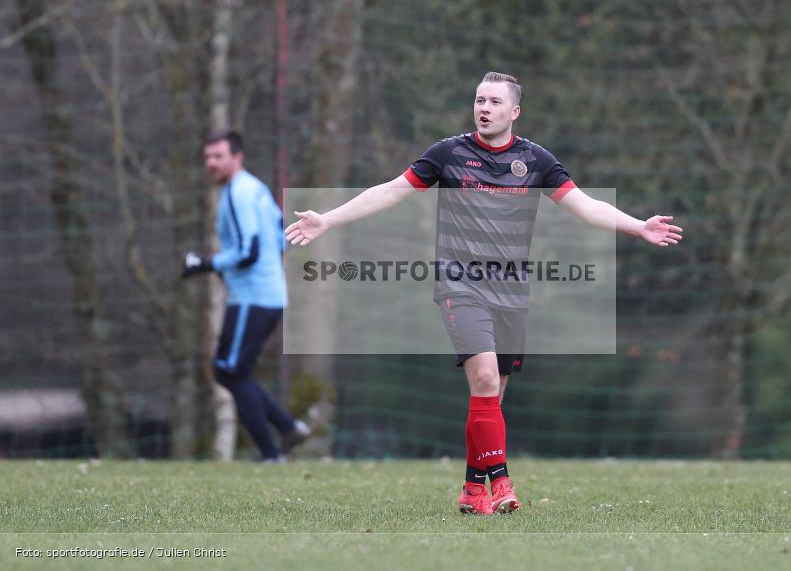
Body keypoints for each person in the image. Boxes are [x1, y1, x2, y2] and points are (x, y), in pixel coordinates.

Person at [284, 72, 683, 512]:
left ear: (514, 112)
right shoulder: (449, 153)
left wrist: (637, 226)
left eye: (494, 101)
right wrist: (328, 219)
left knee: (491, 396)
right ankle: (502, 484)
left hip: (511, 289)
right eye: (479, 100)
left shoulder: (535, 161)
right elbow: (391, 191)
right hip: (460, 284)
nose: (484, 108)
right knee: (487, 379)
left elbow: (586, 206)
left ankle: (473, 489)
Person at [183, 130, 311, 463]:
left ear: (237, 156)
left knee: (230, 370)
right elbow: (281, 239)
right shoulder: (255, 187)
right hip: (264, 295)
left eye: (218, 156)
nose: (211, 163)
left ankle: (273, 452)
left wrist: (206, 264)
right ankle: (287, 428)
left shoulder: (238, 193)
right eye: (207, 156)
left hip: (252, 297)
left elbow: (249, 251)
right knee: (231, 370)